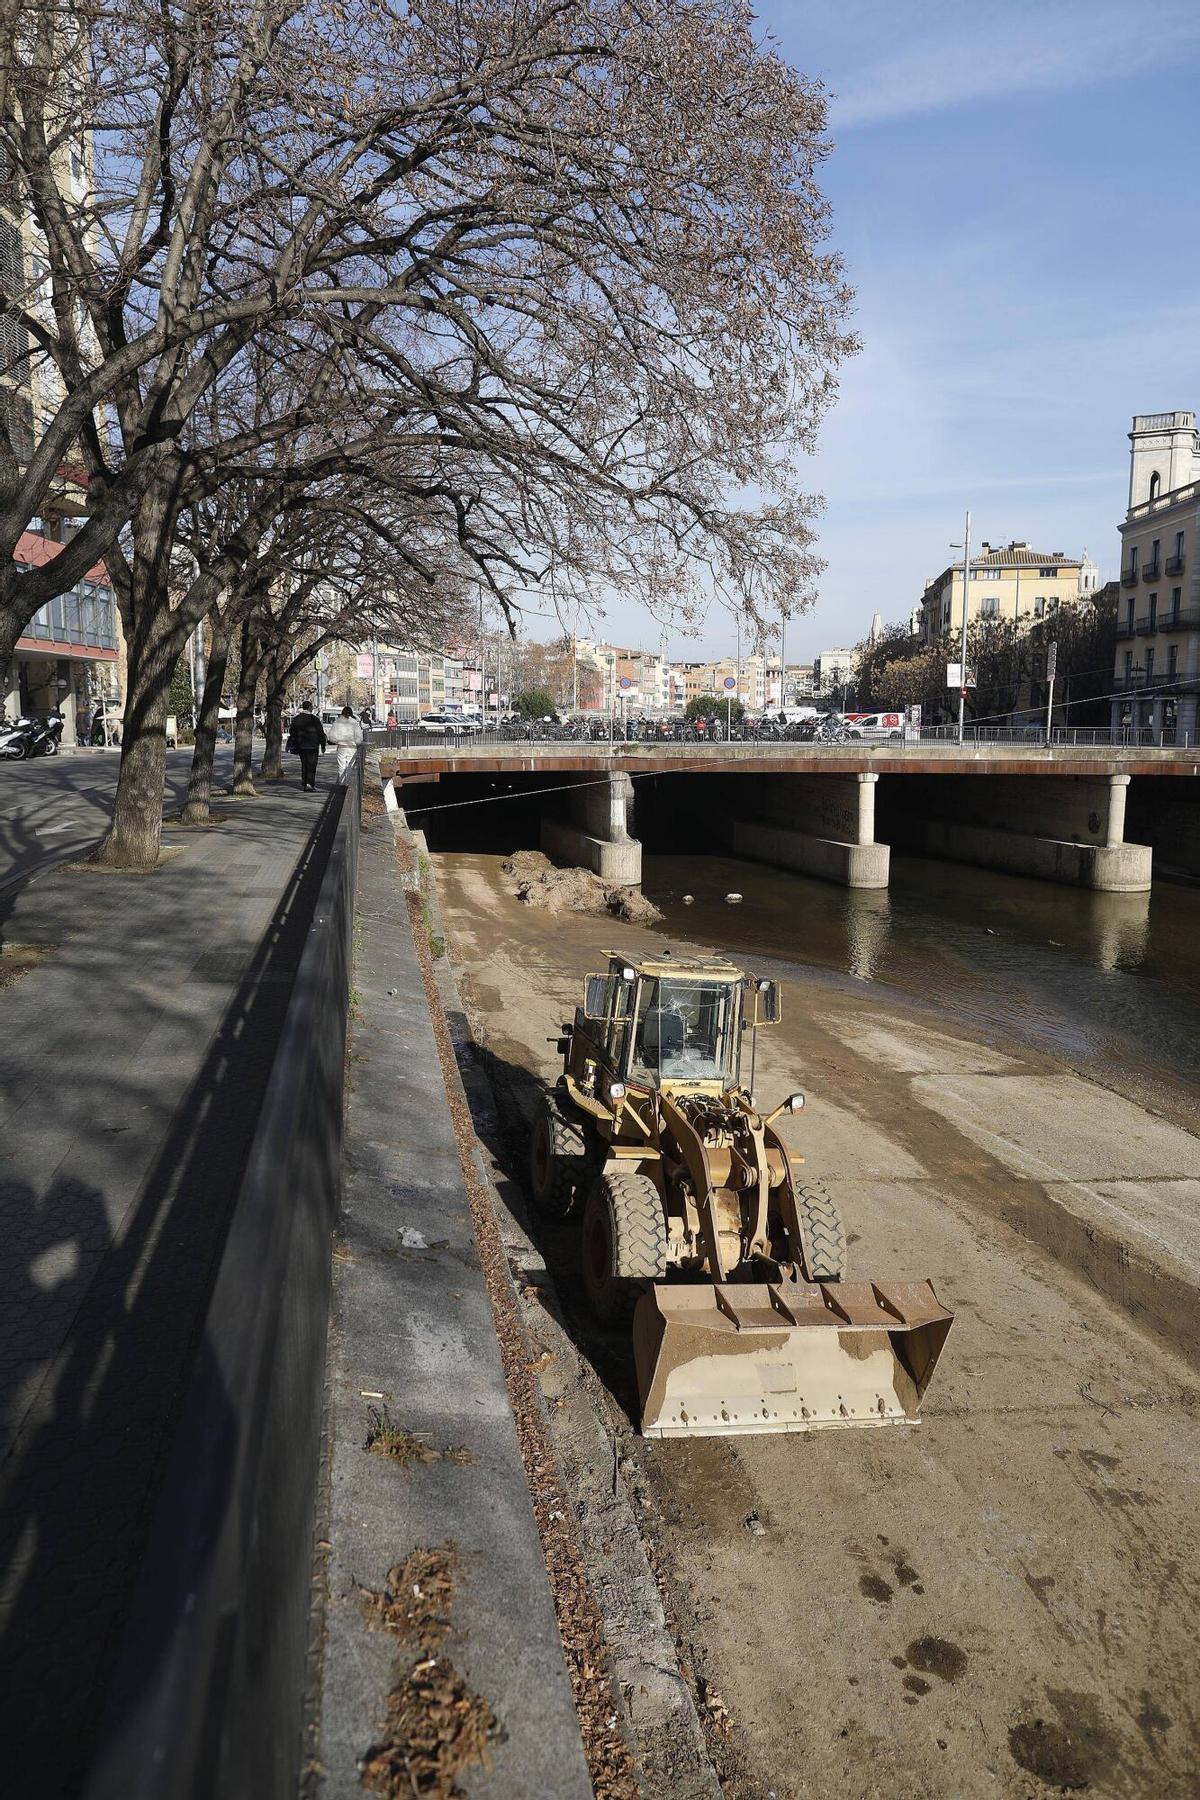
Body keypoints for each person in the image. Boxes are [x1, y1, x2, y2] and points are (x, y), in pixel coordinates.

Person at [286, 700, 326, 790]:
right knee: (312, 765)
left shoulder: (297, 719)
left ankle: (304, 782)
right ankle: (309, 784)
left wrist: (297, 740)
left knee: (304, 764)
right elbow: (321, 733)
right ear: (310, 707)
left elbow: (292, 731)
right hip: (313, 745)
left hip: (301, 745)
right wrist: (323, 745)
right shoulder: (315, 719)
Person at [327, 705, 364, 783]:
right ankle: (348, 783)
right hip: (352, 747)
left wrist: (338, 741)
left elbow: (331, 737)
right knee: (350, 766)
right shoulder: (354, 722)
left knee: (342, 766)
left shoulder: (337, 722)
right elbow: (359, 737)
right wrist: (357, 742)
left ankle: (342, 783)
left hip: (341, 747)